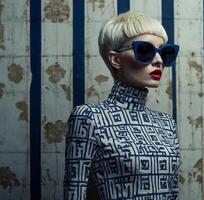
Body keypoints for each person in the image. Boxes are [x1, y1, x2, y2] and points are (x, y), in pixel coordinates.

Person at [64, 11, 180, 200]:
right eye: (145, 50)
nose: (159, 61)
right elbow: (74, 192)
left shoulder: (166, 124)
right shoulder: (89, 117)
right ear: (116, 59)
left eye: (164, 52)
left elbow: (172, 193)